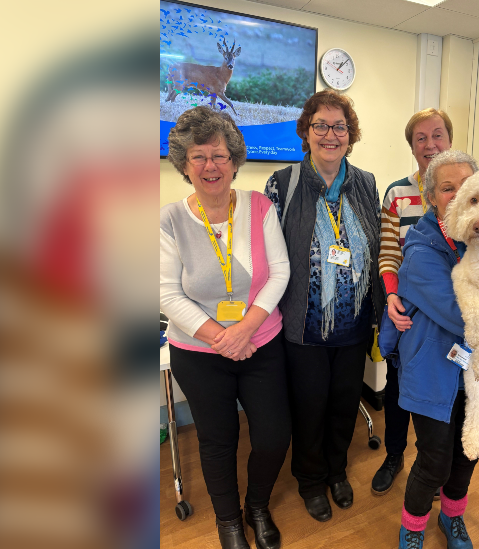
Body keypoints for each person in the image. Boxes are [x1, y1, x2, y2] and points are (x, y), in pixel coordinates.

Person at [161, 106, 291, 549]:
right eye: (198, 157)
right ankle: (229, 522)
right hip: (199, 354)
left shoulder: (260, 206)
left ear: (235, 161)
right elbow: (165, 293)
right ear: (183, 164)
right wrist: (221, 336)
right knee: (217, 442)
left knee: (273, 438)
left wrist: (243, 331)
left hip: (261, 345)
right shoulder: (170, 220)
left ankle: (256, 506)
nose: (210, 166)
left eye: (218, 155)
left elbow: (279, 271)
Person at [263, 90, 384, 522]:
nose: (330, 135)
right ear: (306, 132)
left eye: (340, 127)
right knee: (309, 407)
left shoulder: (366, 183)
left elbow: (379, 248)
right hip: (303, 326)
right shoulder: (283, 183)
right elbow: (269, 256)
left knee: (343, 403)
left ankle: (337, 471)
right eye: (321, 126)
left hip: (353, 327)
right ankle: (310, 480)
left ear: (350, 136)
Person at [394, 150, 479, 549]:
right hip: (431, 372)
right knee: (434, 460)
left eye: (465, 187)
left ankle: (452, 519)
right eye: (447, 188)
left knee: (467, 453)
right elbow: (460, 315)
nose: (457, 195)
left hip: (476, 370)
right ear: (430, 195)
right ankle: (413, 528)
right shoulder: (420, 252)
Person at [373, 108, 454, 496]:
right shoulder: (396, 193)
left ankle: (431, 466)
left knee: (442, 398)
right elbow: (388, 253)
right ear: (412, 146)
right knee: (397, 391)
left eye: (437, 135)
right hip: (406, 314)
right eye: (420, 138)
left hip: (452, 317)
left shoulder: (468, 189)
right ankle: (393, 456)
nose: (430, 145)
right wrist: (390, 295)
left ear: (449, 140)